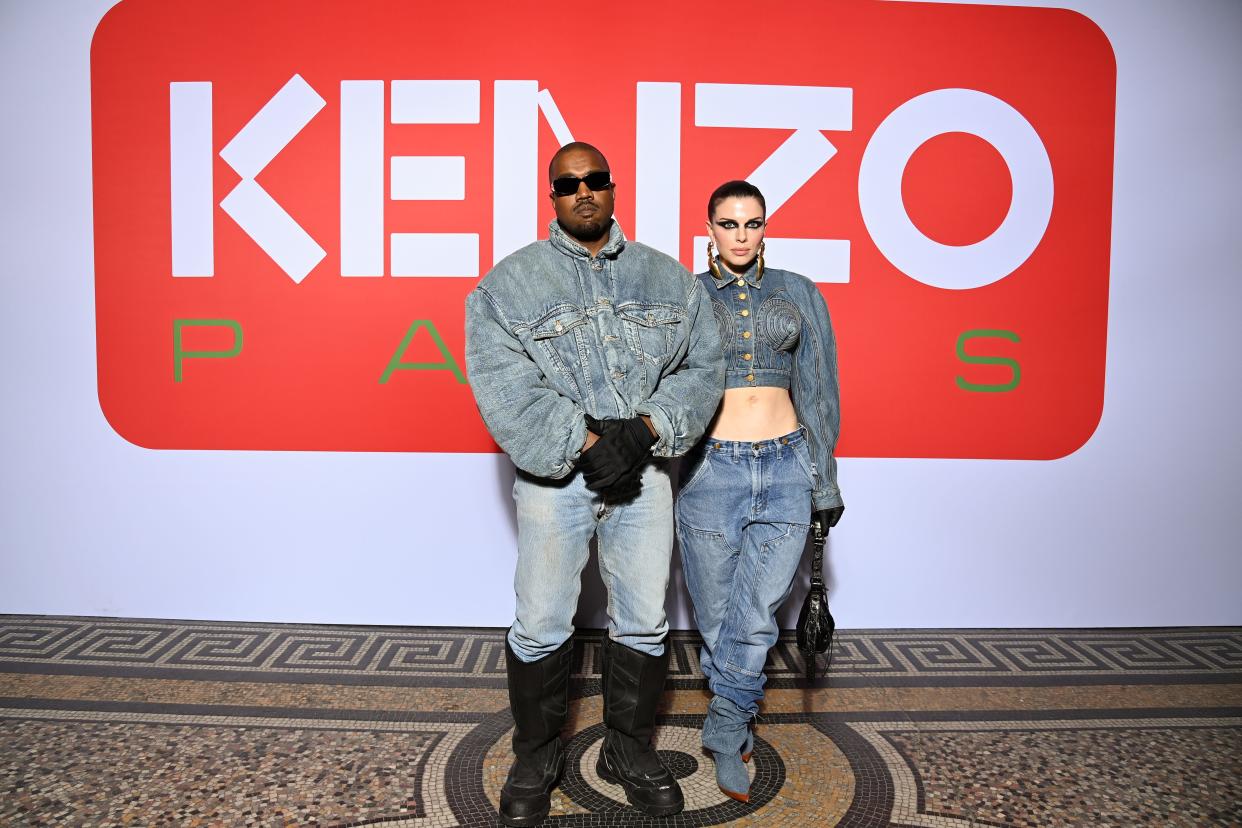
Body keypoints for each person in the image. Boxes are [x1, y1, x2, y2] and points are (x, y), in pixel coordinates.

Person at [465, 142, 725, 826]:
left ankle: (629, 748)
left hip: (644, 475)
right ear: (552, 197)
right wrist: (585, 441)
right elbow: (503, 385)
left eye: (594, 180)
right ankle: (536, 752)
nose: (582, 191)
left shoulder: (669, 280)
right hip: (555, 483)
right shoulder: (507, 286)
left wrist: (644, 430)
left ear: (613, 189)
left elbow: (702, 369)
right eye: (567, 183)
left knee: (643, 615)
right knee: (543, 616)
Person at [675, 180, 844, 803]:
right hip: (709, 471)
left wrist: (823, 478)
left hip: (786, 467)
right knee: (719, 616)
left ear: (765, 227)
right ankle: (738, 706)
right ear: (710, 229)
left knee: (756, 614)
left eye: (752, 224)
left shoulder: (797, 291)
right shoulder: (688, 295)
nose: (741, 236)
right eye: (728, 224)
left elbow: (819, 388)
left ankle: (723, 730)